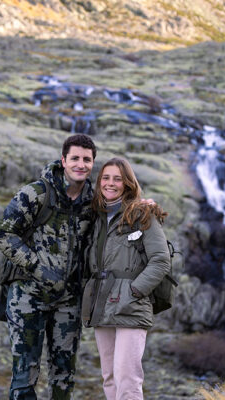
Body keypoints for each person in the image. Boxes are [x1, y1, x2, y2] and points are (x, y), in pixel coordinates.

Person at [0, 134, 96, 399]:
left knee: (64, 377)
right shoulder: (36, 193)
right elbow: (4, 235)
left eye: (87, 159)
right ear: (64, 160)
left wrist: (144, 206)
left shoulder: (93, 202)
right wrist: (39, 268)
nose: (80, 164)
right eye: (75, 158)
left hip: (69, 302)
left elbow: (121, 211)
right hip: (28, 297)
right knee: (25, 376)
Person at [81, 157, 171, 400]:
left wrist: (135, 291)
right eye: (106, 178)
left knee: (127, 377)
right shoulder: (97, 217)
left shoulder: (142, 214)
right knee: (109, 376)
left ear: (128, 184)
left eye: (117, 179)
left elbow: (161, 260)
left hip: (131, 304)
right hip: (101, 304)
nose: (110, 183)